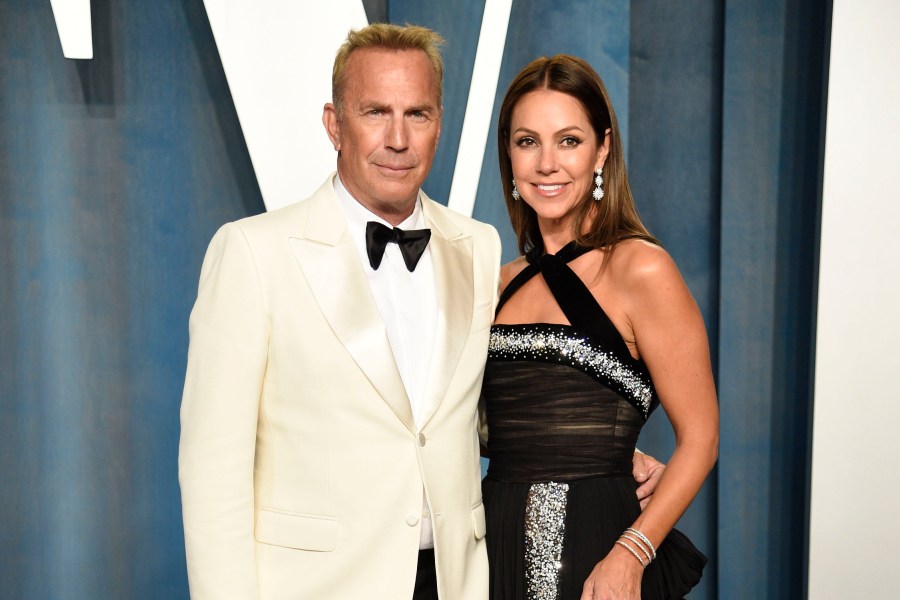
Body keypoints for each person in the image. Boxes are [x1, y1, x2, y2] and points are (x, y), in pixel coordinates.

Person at [179, 23, 665, 600]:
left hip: (461, 582)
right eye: (375, 112)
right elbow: (213, 472)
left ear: (440, 125)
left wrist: (588, 445)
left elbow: (467, 416)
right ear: (335, 124)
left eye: (418, 114)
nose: (398, 139)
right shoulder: (253, 253)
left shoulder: (478, 247)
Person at [480, 55, 719, 600]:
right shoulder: (496, 285)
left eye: (568, 140)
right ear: (509, 156)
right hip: (490, 554)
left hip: (600, 557)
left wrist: (630, 556)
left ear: (602, 149)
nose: (546, 163)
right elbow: (482, 426)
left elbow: (701, 438)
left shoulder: (640, 268)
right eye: (527, 141)